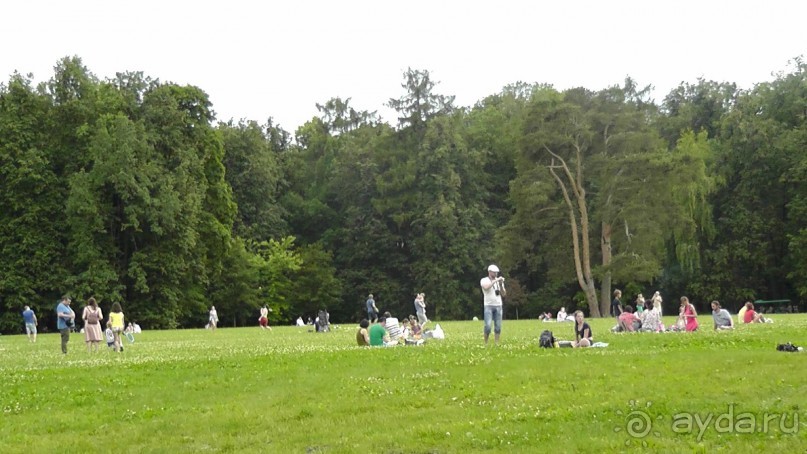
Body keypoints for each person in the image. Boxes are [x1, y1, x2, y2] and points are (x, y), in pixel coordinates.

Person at [481, 264, 506, 345]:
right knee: (488, 326)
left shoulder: (498, 282)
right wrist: (495, 281)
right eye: (494, 272)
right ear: (489, 272)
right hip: (488, 305)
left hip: (498, 305)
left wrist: (501, 284)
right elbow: (486, 287)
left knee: (498, 326)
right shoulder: (484, 280)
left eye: (496, 273)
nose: (496, 274)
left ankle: (496, 343)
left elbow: (504, 294)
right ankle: (486, 343)